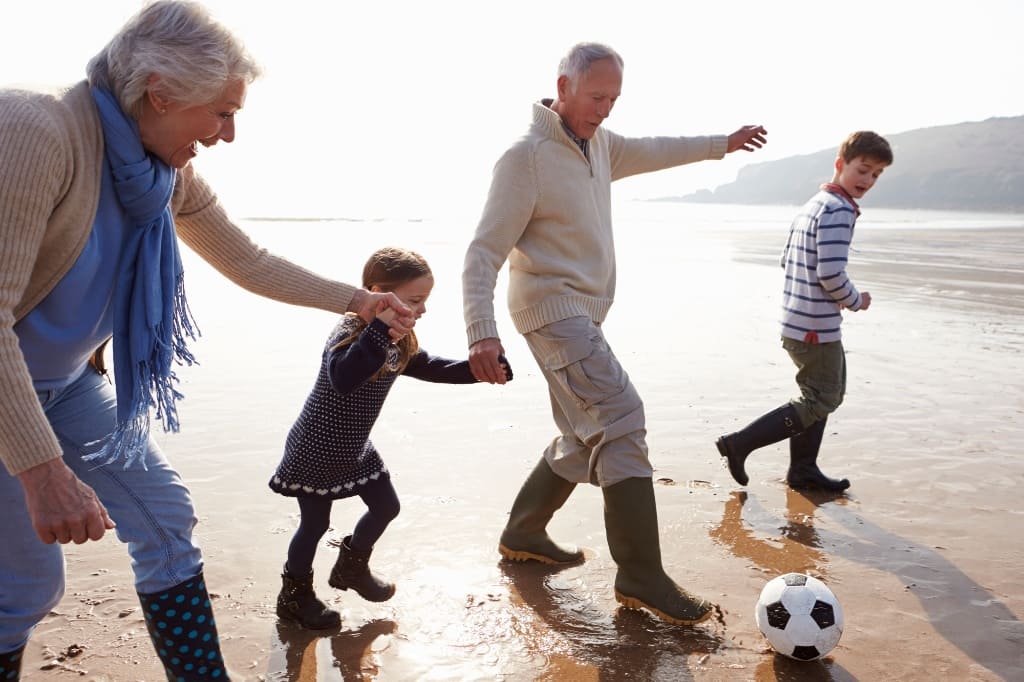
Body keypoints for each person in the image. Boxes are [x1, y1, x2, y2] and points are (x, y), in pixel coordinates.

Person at [0, 2, 413, 679]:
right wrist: (43, 473)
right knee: (22, 588)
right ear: (160, 92)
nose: (228, 134)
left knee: (166, 521)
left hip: (65, 384)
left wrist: (358, 301)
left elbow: (247, 260)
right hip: (7, 391)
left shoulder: (160, 171)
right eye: (222, 113)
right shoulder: (34, 131)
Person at [461, 41, 768, 626]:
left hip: (580, 314)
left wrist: (721, 145)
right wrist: (481, 333)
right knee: (621, 417)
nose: (604, 110)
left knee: (586, 433)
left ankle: (524, 532)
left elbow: (656, 149)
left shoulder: (600, 144)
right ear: (564, 87)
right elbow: (482, 252)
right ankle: (640, 575)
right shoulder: (525, 158)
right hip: (552, 311)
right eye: (596, 96)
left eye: (614, 99)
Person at [270, 246, 513, 630]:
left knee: (386, 506)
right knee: (314, 525)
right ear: (378, 293)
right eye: (414, 300)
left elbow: (429, 366)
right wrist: (379, 330)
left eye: (425, 300)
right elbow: (344, 377)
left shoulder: (399, 340)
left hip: (354, 447)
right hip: (316, 446)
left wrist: (477, 371)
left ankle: (352, 567)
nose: (422, 309)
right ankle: (294, 597)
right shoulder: (350, 330)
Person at [716, 131, 893, 493]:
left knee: (822, 393)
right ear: (840, 164)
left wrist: (819, 294)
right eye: (863, 170)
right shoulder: (839, 210)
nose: (868, 180)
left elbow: (787, 259)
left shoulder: (815, 203)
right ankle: (740, 444)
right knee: (822, 397)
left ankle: (803, 470)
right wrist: (854, 299)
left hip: (796, 319)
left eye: (876, 174)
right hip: (815, 325)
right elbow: (830, 273)